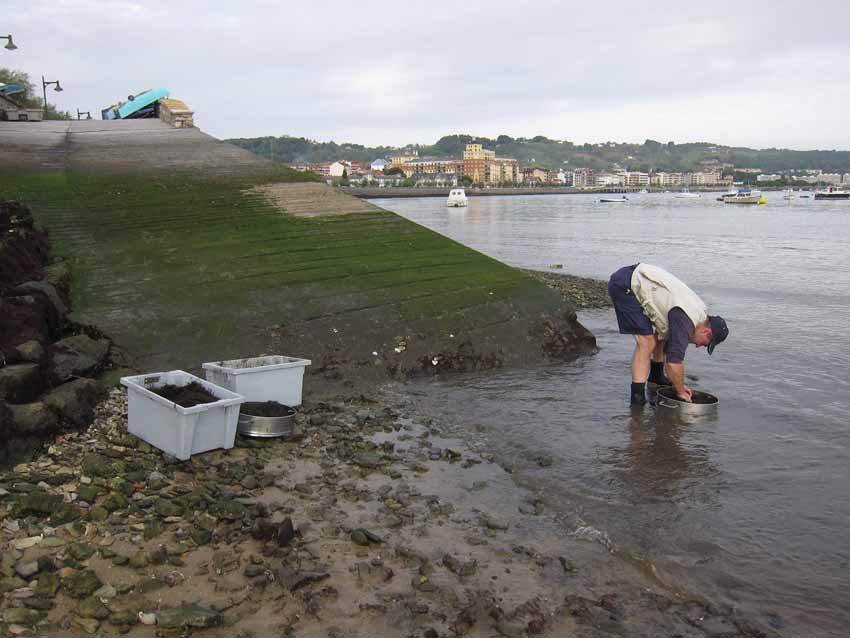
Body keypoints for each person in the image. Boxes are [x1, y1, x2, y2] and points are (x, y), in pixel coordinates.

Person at [607, 263, 729, 405]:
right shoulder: (685, 320)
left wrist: (677, 384)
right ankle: (637, 397)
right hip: (625, 285)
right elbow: (674, 363)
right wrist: (680, 391)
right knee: (647, 343)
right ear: (706, 331)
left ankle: (656, 376)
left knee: (665, 335)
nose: (697, 346)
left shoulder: (700, 314)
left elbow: (669, 339)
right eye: (703, 344)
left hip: (638, 277)